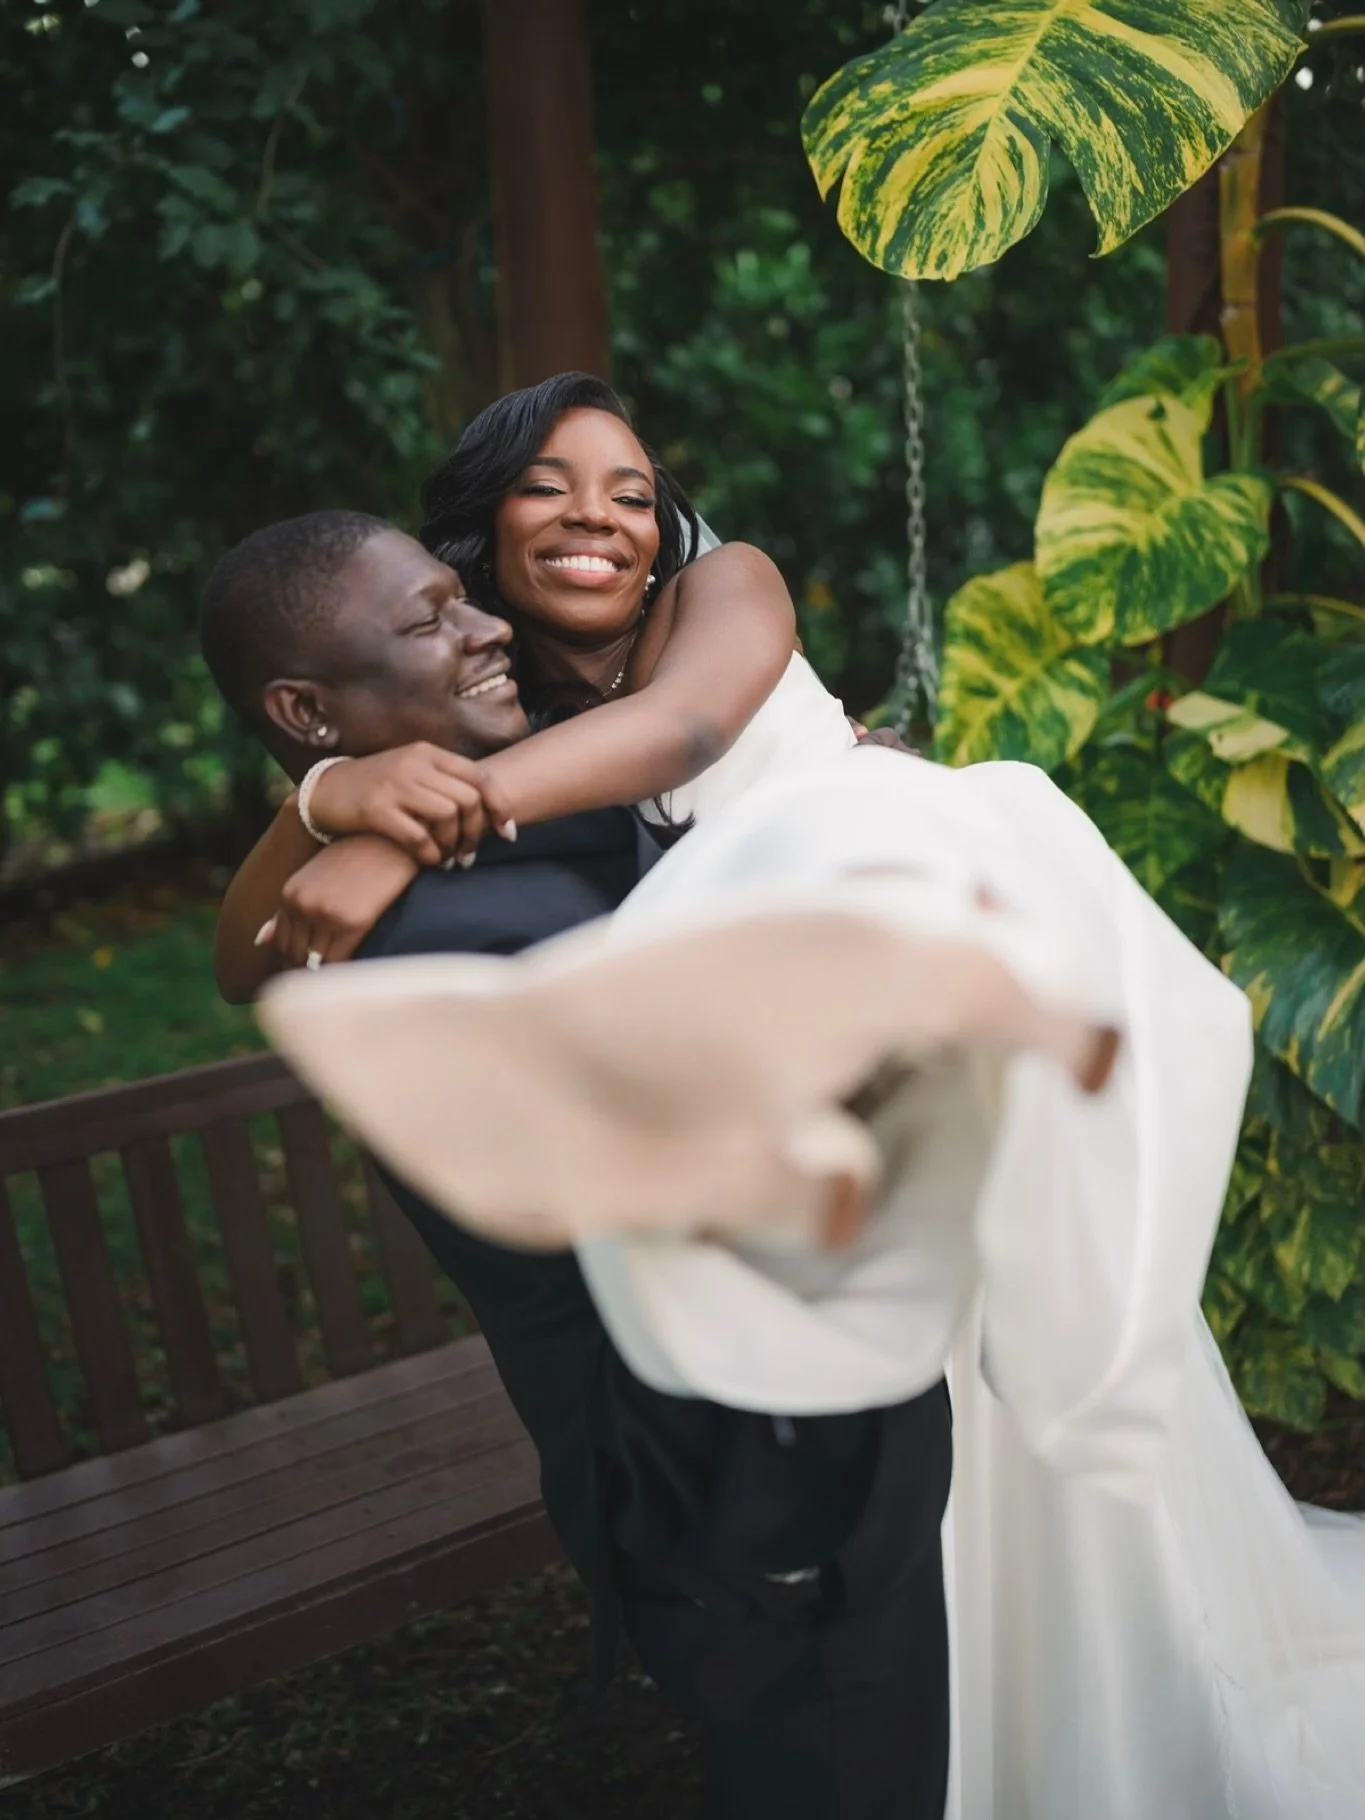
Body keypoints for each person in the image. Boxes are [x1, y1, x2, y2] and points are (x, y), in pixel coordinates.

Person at [207, 370, 1365, 1818]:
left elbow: (687, 740)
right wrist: (330, 805)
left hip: (900, 1014)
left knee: (1034, 1503)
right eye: (552, 489)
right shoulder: (476, 708)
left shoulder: (719, 593)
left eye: (634, 491)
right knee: (930, 1560)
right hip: (796, 1174)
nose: (604, 520)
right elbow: (244, 960)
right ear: (476, 541)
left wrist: (391, 828)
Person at [199, 508, 956, 1820]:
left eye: (463, 598)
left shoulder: (518, 836)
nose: (492, 625)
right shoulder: (441, 948)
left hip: (787, 1431)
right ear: (307, 709)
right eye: (429, 619)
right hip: (731, 1476)